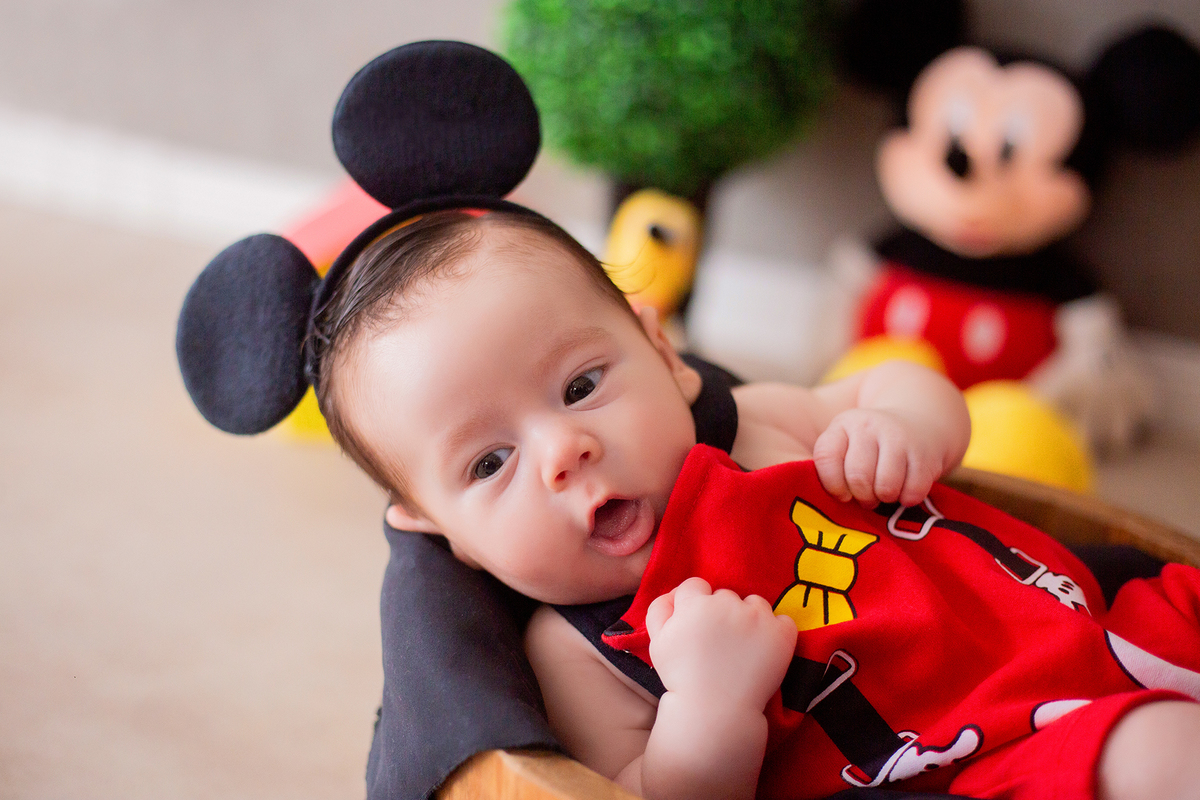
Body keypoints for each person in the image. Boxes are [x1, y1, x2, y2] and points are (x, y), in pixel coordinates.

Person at [303, 206, 1200, 800]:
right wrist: (708, 708)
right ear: (432, 526)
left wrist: (903, 423)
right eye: (489, 462)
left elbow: (900, 383)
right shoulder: (582, 651)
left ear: (664, 353)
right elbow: (655, 795)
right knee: (1164, 754)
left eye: (580, 385)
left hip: (1080, 625)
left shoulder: (758, 423)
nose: (562, 451)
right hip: (969, 767)